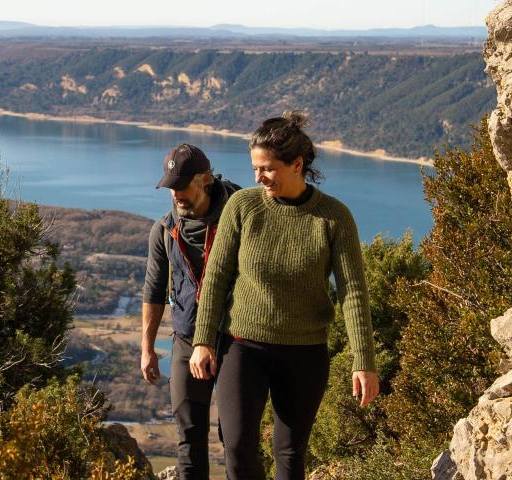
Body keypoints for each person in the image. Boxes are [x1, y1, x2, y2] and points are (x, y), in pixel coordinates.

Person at [187, 111, 379, 480]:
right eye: (255, 168)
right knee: (239, 446)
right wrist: (203, 341)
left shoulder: (334, 217)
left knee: (289, 454)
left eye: (268, 169)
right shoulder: (243, 207)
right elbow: (216, 278)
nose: (258, 177)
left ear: (297, 164)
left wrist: (363, 361)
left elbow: (353, 291)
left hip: (304, 352)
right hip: (243, 346)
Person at [140, 143, 242, 480]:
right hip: (186, 339)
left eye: (183, 186)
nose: (176, 195)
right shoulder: (165, 230)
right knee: (189, 439)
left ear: (206, 179)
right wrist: (147, 349)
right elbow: (153, 291)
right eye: (171, 187)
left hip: (235, 340)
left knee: (237, 439)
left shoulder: (240, 215)